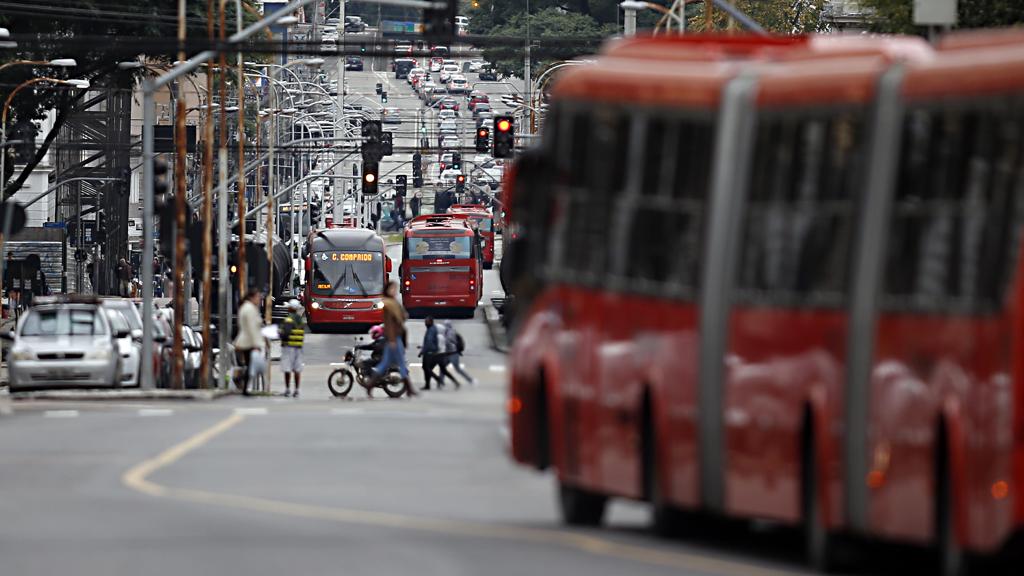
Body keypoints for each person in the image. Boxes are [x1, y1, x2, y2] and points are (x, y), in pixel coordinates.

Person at [370, 280, 414, 397]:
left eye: (395, 289)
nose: (394, 291)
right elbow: (389, 324)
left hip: (396, 337)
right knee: (400, 363)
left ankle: (369, 386)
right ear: (387, 290)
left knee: (385, 364)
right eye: (392, 289)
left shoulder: (394, 303)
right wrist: (393, 340)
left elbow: (404, 316)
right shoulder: (388, 305)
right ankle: (409, 389)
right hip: (394, 338)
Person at [233, 289, 264, 395]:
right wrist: (256, 344)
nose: (259, 300)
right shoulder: (250, 309)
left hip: (246, 339)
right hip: (248, 341)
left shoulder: (245, 307)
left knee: (249, 365)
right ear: (252, 297)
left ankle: (245, 387)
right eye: (258, 297)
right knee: (250, 365)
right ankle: (241, 381)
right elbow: (252, 328)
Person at [278, 299, 306, 398]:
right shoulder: (300, 320)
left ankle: (287, 389)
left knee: (287, 369)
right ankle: (297, 390)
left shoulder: (289, 319)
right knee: (297, 369)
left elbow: (285, 333)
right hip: (298, 347)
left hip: (288, 347)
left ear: (290, 308)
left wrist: (279, 333)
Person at [442, 320, 476, 386]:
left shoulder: (450, 332)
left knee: (457, 369)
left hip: (453, 353)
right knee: (442, 367)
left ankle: (470, 380)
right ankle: (441, 381)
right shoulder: (446, 332)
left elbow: (448, 341)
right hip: (448, 353)